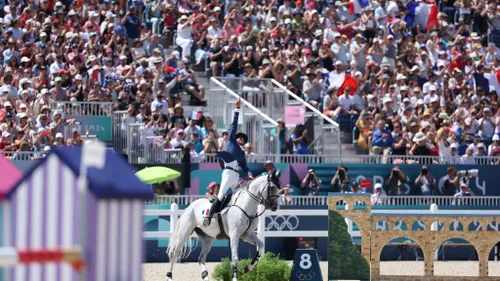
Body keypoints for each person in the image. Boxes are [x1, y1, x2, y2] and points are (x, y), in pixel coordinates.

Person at [203, 98, 254, 227]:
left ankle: (233, 218)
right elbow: (234, 125)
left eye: (243, 139)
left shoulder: (242, 154)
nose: (241, 140)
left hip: (236, 176)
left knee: (238, 197)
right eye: (240, 138)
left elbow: (244, 166)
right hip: (228, 173)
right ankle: (208, 217)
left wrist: (250, 174)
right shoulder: (231, 141)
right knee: (220, 195)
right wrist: (237, 110)